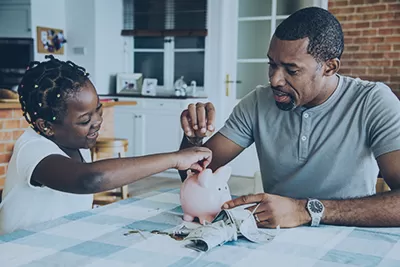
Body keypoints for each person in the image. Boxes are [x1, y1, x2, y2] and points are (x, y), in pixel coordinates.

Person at [179, 7, 400, 228]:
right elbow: (194, 176)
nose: (275, 80)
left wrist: (305, 210)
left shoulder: (373, 102)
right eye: (272, 65)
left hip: (349, 236)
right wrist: (193, 140)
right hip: (273, 237)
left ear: (330, 67)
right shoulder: (257, 102)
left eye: (291, 70)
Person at [0, 55, 212, 234]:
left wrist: (192, 141)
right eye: (85, 120)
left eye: (98, 109)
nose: (98, 121)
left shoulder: (77, 144)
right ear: (46, 126)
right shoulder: (32, 149)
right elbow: (89, 179)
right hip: (20, 252)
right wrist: (174, 159)